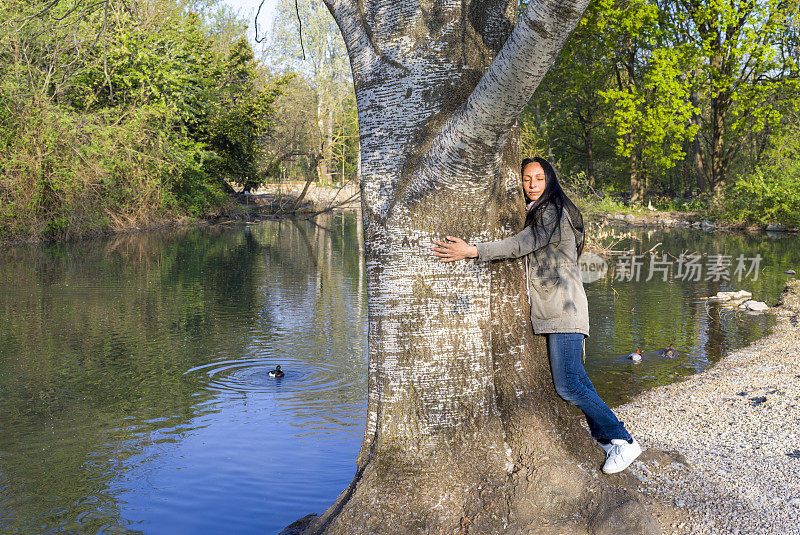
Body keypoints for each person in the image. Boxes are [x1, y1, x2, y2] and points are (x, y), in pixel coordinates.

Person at [430, 157, 641, 475]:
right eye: (526, 179)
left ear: (550, 180)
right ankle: (608, 439)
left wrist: (473, 250)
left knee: (569, 386)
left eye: (539, 178)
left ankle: (624, 441)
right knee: (578, 380)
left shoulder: (551, 211)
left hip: (564, 311)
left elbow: (521, 244)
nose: (532, 184)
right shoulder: (544, 211)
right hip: (558, 310)